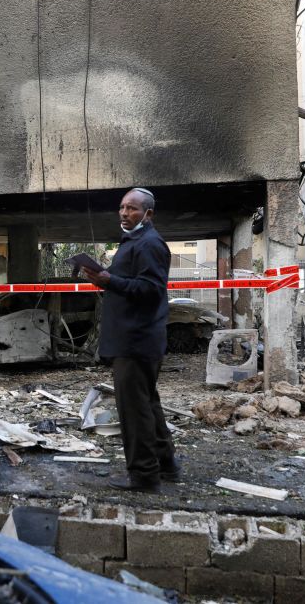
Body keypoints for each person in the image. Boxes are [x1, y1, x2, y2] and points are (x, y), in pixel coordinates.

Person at [81, 187, 179, 493]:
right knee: (147, 404)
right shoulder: (135, 240)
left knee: (134, 411)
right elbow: (132, 283)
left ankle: (143, 476)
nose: (124, 213)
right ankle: (166, 466)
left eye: (132, 209)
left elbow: (151, 290)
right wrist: (104, 278)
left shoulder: (149, 243)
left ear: (148, 214)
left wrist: (111, 281)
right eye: (122, 207)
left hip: (136, 340)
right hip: (137, 339)